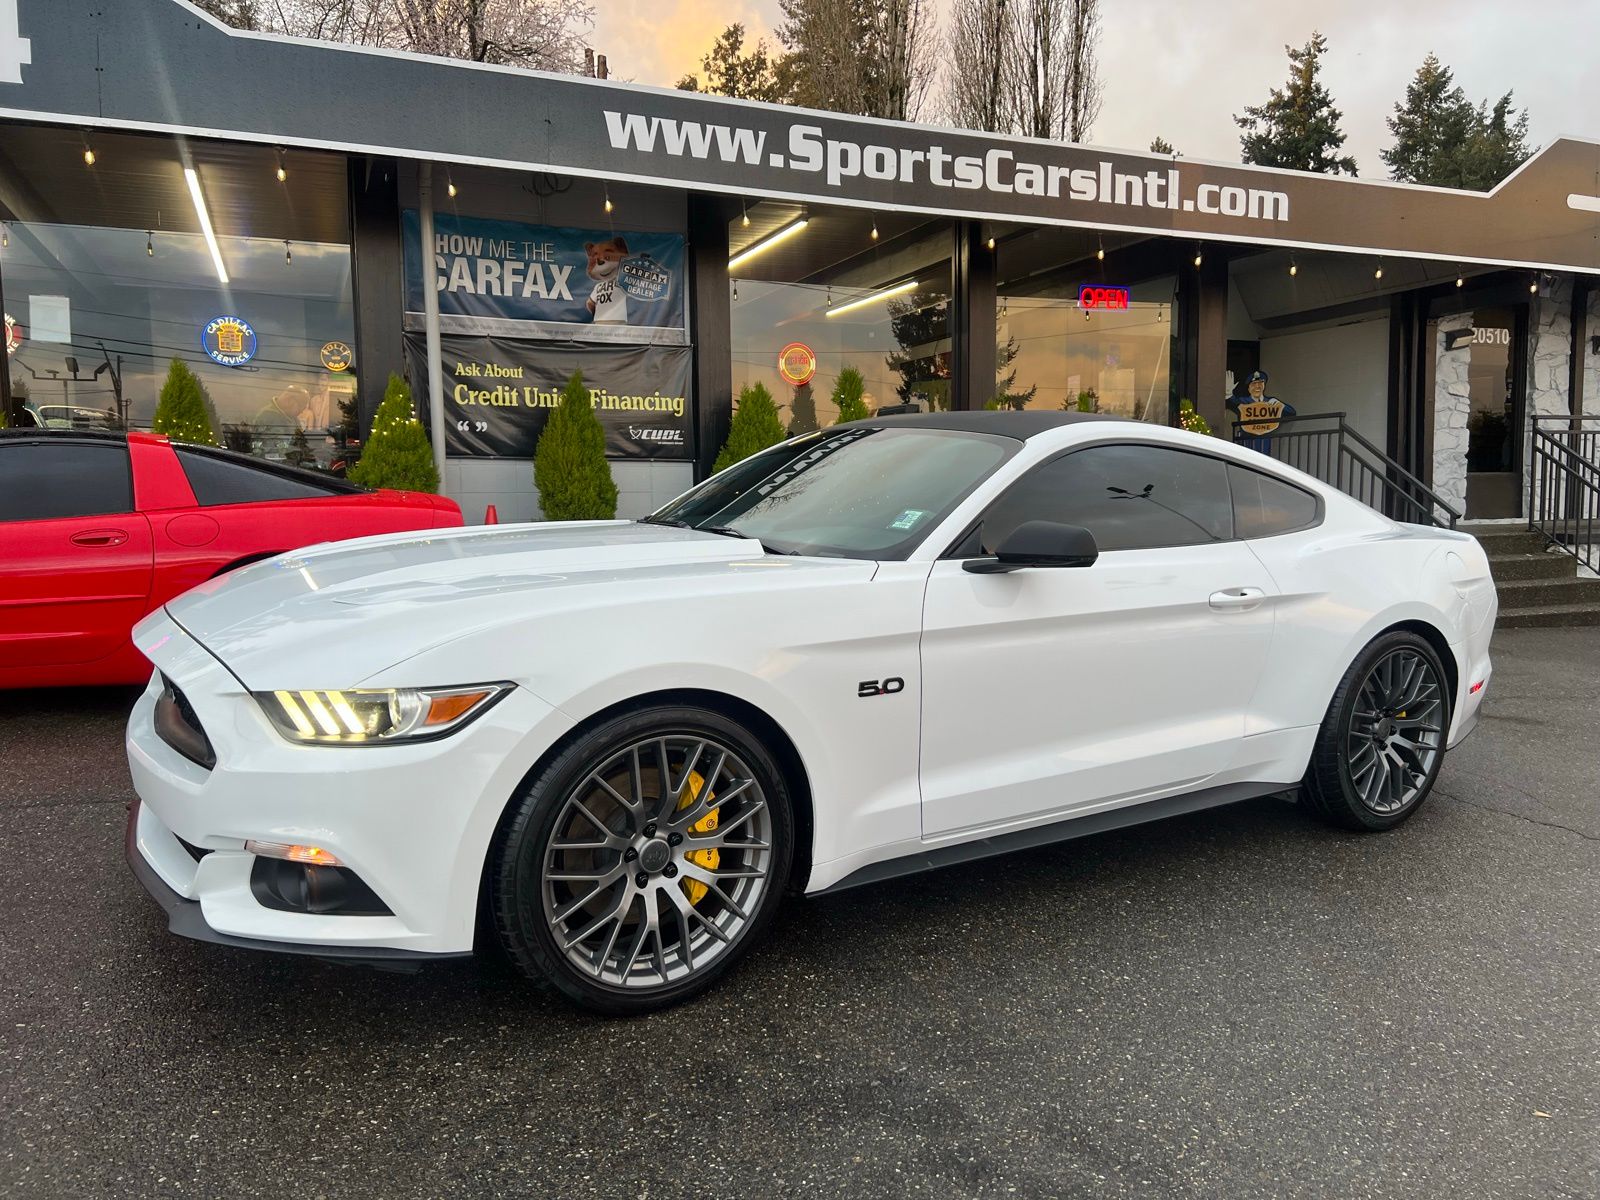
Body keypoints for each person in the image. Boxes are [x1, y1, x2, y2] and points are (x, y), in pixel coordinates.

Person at [1227, 369, 1293, 455]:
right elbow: (1232, 402)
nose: (1257, 386)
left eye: (1260, 383)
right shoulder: (1243, 401)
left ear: (1264, 385)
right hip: (1247, 441)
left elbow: (1291, 413)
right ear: (1249, 388)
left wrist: (1280, 405)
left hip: (1264, 441)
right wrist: (1228, 394)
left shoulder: (1270, 402)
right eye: (1254, 384)